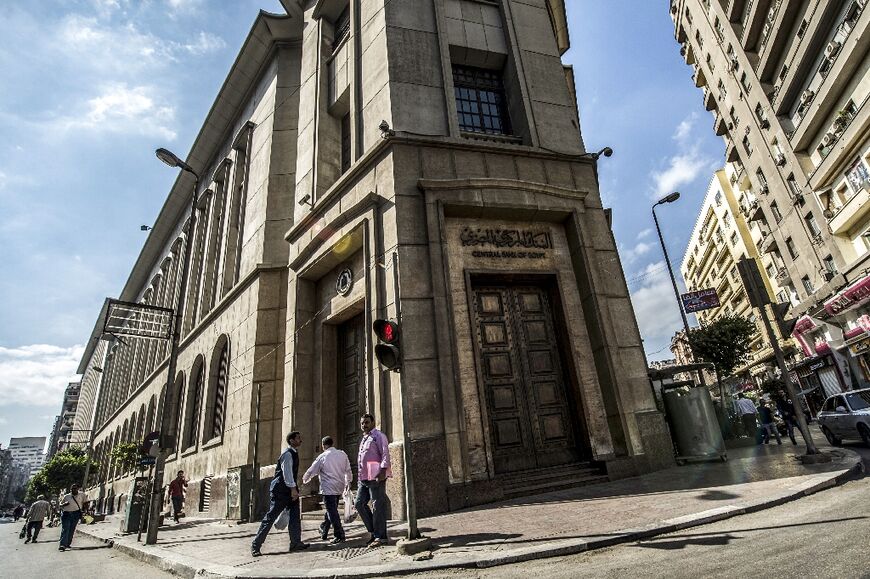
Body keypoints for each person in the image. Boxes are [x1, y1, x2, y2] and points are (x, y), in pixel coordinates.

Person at [251, 431, 308, 557]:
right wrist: (293, 489)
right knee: (270, 517)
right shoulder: (287, 455)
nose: (301, 440)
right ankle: (256, 545)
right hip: (281, 490)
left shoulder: (294, 453)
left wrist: (294, 489)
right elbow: (287, 473)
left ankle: (295, 543)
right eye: (298, 438)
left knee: (294, 517)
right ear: (292, 440)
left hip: (290, 489)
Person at [302, 436, 353, 545]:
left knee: (331, 511)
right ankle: (324, 529)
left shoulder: (322, 456)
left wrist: (305, 480)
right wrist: (348, 482)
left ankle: (339, 534)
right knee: (331, 510)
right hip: (339, 487)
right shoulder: (342, 454)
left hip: (328, 488)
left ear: (323, 445)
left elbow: (312, 470)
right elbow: (348, 470)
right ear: (332, 443)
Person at [355, 414, 391, 548]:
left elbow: (385, 453)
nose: (364, 425)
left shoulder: (378, 436)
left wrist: (382, 471)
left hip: (375, 474)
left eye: (367, 422)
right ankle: (374, 531)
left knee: (378, 506)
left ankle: (380, 536)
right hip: (363, 477)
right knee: (359, 503)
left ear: (373, 423)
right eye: (362, 423)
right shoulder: (364, 438)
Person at [58, 484, 87, 551]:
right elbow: (60, 505)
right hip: (66, 514)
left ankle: (67, 543)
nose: (73, 490)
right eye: (72, 489)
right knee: (65, 529)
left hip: (76, 514)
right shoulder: (67, 496)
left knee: (72, 529)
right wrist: (64, 504)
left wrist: (85, 512)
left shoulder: (82, 495)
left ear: (78, 489)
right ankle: (62, 545)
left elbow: (85, 503)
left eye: (75, 488)